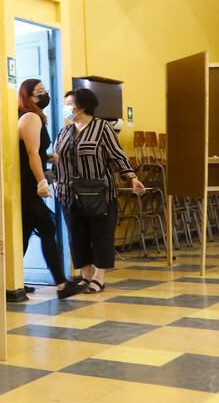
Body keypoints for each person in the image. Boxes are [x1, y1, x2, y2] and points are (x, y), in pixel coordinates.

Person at [53, 88, 145, 293]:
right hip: (69, 194)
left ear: (82, 106)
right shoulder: (64, 131)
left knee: (101, 235)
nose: (66, 107)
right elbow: (55, 157)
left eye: (69, 103)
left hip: (100, 193)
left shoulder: (102, 128)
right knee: (77, 236)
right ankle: (85, 276)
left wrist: (132, 177)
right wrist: (52, 180)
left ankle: (99, 278)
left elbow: (117, 155)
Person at [17, 78, 83, 300]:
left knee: (25, 232)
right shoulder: (31, 117)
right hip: (28, 185)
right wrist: (41, 182)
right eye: (39, 91)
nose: (44, 94)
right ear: (29, 96)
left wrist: (47, 157)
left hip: (25, 183)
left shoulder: (26, 115)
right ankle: (62, 285)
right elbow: (30, 153)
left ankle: (13, 280)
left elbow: (29, 152)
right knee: (46, 227)